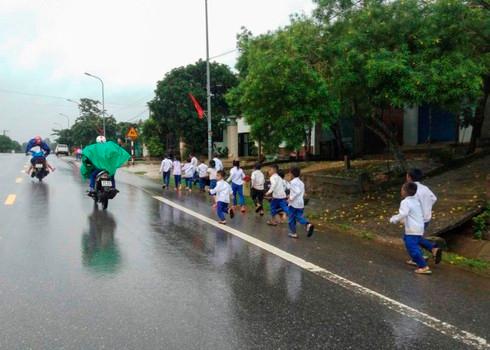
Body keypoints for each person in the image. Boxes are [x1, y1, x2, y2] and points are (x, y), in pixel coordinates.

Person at [390, 182, 441, 275]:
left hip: (412, 229)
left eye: (402, 189)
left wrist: (394, 219)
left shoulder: (405, 202)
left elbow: (403, 213)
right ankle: (420, 257)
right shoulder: (416, 200)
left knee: (412, 247)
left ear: (405, 192)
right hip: (419, 227)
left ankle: (423, 266)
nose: (401, 190)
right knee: (409, 240)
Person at [406, 168, 440, 264]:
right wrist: (427, 207)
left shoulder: (412, 190)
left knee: (410, 238)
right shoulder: (425, 188)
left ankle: (418, 259)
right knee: (416, 237)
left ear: (409, 177)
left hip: (417, 219)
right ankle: (433, 249)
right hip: (426, 218)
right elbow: (434, 198)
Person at [287, 167, 314, 239]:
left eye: (289, 173)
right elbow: (301, 192)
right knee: (299, 216)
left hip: (294, 204)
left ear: (292, 174)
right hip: (300, 203)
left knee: (291, 219)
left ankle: (294, 233)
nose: (289, 175)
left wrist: (290, 198)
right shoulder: (301, 182)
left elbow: (297, 191)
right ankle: (308, 224)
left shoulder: (292, 182)